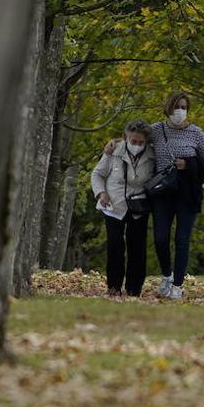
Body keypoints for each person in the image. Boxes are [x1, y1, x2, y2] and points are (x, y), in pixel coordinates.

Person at [106, 92, 204, 299]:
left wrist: (189, 164)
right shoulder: (157, 129)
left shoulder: (196, 133)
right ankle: (167, 274)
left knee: (182, 238)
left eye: (183, 107)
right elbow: (136, 137)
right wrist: (113, 142)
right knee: (160, 238)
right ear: (168, 108)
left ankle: (178, 285)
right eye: (176, 107)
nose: (180, 111)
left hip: (187, 192)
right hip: (162, 192)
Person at [91, 120, 155, 297]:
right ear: (125, 138)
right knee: (115, 246)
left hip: (139, 206)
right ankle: (114, 286)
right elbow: (97, 174)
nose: (136, 145)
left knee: (137, 248)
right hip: (114, 204)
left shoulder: (152, 155)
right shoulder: (113, 151)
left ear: (146, 142)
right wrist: (101, 193)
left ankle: (134, 288)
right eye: (133, 141)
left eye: (140, 142)